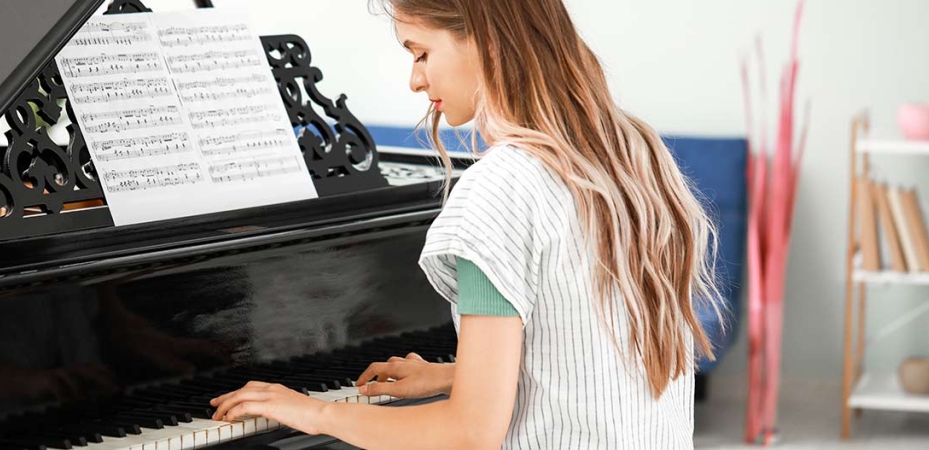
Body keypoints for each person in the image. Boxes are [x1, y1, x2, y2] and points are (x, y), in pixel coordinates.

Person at [210, 1, 724, 448]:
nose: (415, 80)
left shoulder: (498, 189)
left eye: (420, 53)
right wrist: (459, 376)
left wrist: (311, 411)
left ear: (488, 42)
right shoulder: (635, 151)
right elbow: (592, 356)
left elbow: (468, 434)